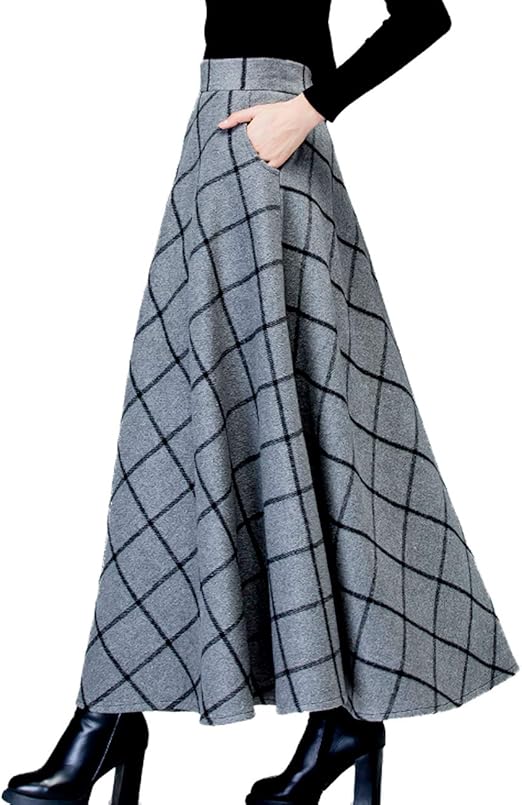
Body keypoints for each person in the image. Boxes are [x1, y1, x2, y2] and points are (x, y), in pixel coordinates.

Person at [3, 2, 519, 804]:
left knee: (214, 430)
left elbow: (423, 16)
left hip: (263, 148)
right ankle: (171, 712)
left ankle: (114, 718)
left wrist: (308, 107)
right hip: (221, 141)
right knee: (194, 432)